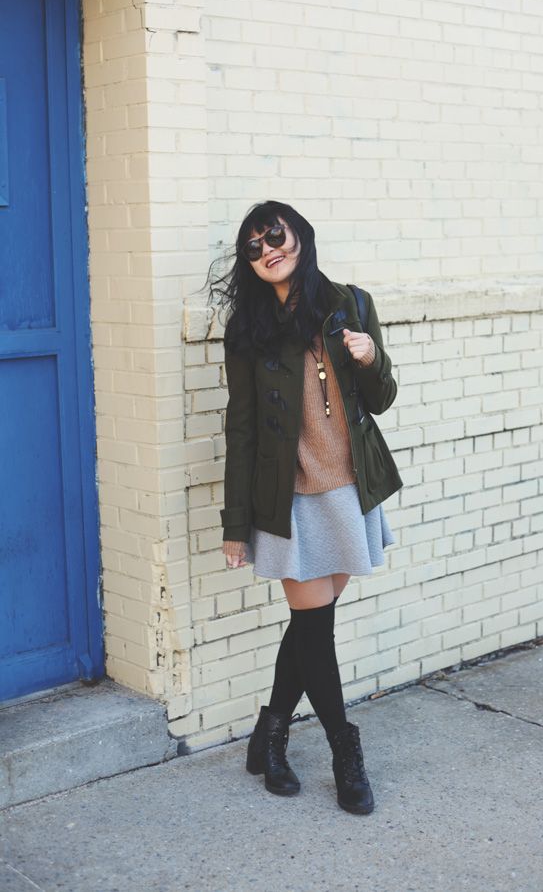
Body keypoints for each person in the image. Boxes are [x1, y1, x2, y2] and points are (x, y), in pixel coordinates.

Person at [210, 200, 402, 815]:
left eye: (275, 236)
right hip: (289, 497)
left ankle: (268, 738)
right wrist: (236, 525)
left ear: (300, 236)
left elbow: (381, 399)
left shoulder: (352, 304)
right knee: (315, 630)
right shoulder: (249, 329)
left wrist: (372, 358)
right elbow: (241, 429)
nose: (268, 250)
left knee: (309, 628)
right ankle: (347, 754)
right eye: (254, 247)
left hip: (349, 487)